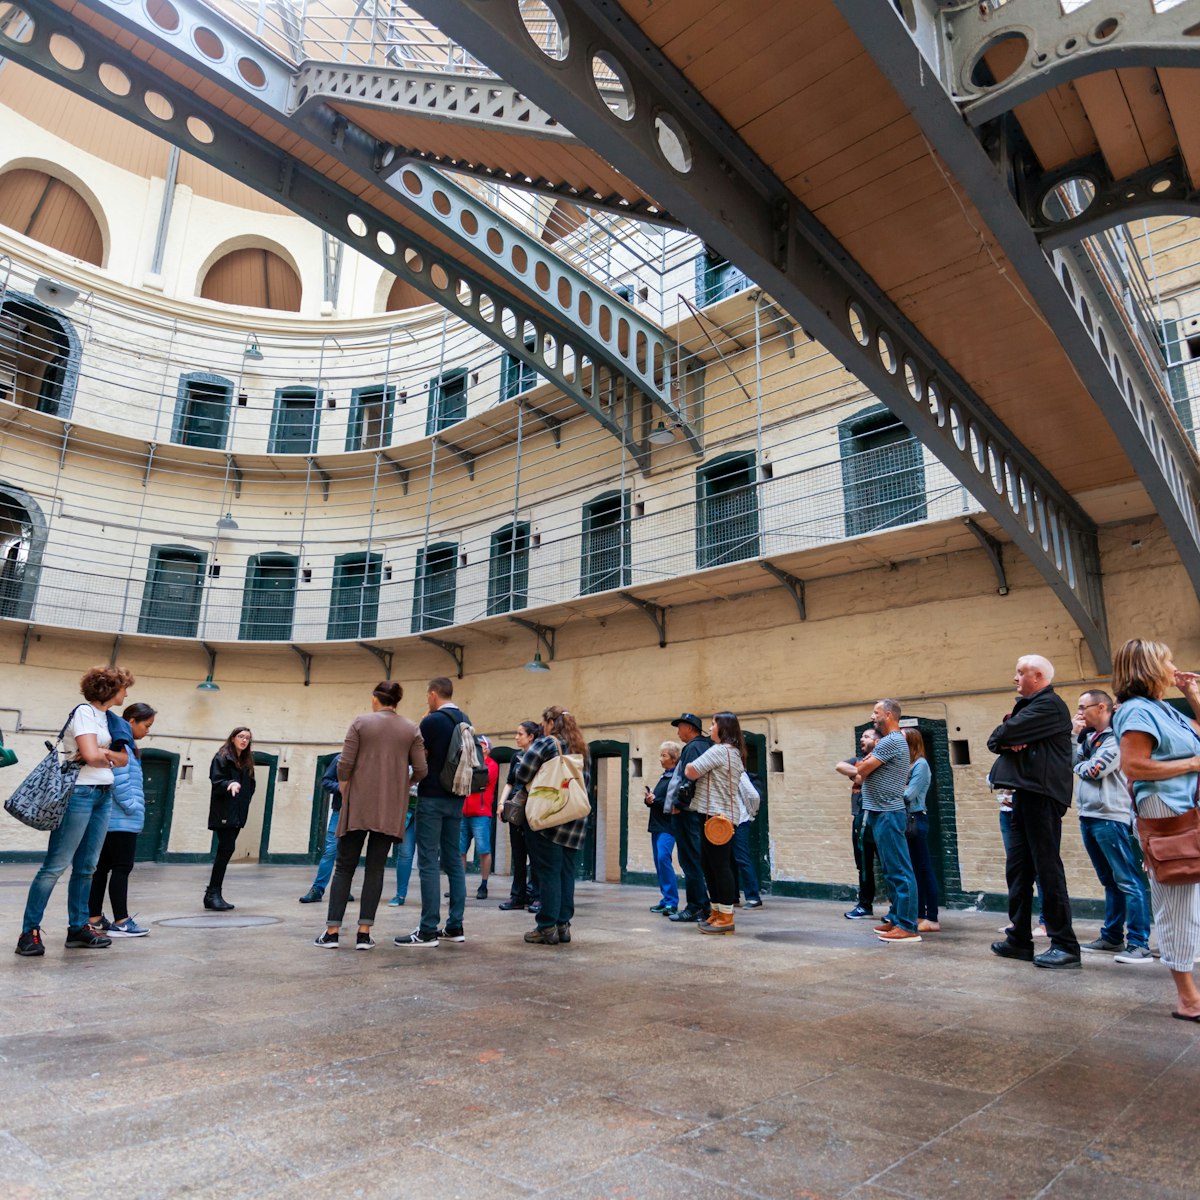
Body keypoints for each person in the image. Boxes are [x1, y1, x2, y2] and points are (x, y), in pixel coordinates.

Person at [16, 666, 132, 957]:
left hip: (103, 795)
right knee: (55, 866)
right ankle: (29, 932)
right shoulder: (84, 712)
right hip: (79, 794)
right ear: (110, 690)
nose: (127, 693)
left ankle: (78, 928)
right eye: (124, 688)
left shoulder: (110, 721)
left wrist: (101, 754)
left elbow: (122, 759)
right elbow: (92, 756)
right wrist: (102, 755)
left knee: (87, 868)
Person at [1112, 640, 1200, 1019]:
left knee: (1186, 898)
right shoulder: (1135, 711)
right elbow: (1134, 767)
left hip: (1187, 808)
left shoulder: (1162, 709)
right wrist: (1193, 764)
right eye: (1167, 661)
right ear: (1149, 668)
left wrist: (1191, 693)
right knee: (1178, 903)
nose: (1173, 666)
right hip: (1166, 809)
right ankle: (1188, 998)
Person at [315, 682, 427, 949]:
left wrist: (346, 786)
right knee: (375, 870)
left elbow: (344, 764)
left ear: (376, 698)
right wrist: (404, 783)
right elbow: (422, 769)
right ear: (396, 702)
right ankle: (364, 933)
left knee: (344, 867)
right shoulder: (411, 728)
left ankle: (331, 932)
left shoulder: (360, 723)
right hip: (388, 809)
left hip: (358, 805)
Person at [989, 654, 1081, 969]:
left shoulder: (1049, 706)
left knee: (1047, 868)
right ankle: (1019, 940)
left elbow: (1003, 735)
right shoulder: (1032, 708)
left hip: (1042, 794)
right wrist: (1008, 735)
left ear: (1038, 676)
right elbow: (996, 740)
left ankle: (1065, 945)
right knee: (1018, 869)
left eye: (1020, 673)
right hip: (1026, 793)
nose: (1015, 678)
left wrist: (1009, 734)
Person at [1073, 689, 1151, 963]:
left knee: (1128, 881)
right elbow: (1076, 763)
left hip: (1110, 817)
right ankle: (1112, 937)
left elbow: (1094, 771)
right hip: (1089, 816)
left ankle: (1139, 943)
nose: (1079, 713)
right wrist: (1077, 747)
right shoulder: (1089, 739)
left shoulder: (1117, 739)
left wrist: (1079, 761)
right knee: (1109, 882)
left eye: (1084, 707)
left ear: (1102, 707)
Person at [397, 677, 471, 947]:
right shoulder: (465, 719)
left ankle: (428, 929)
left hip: (431, 797)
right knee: (453, 860)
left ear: (433, 694)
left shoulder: (431, 721)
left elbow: (419, 755)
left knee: (428, 861)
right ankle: (455, 926)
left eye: (427, 696)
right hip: (456, 798)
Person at [513, 706, 591, 945]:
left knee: (547, 872)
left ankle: (546, 926)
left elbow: (522, 774)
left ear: (549, 722)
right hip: (574, 819)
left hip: (549, 817)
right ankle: (563, 925)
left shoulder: (547, 744)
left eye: (543, 722)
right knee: (566, 873)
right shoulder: (581, 749)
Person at [88, 701, 157, 938]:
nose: (148, 730)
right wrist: (133, 807)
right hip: (122, 821)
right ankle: (122, 921)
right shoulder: (123, 748)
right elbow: (120, 781)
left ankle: (94, 917)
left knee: (102, 868)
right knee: (121, 868)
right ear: (131, 722)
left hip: (112, 820)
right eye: (146, 725)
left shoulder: (125, 747)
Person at [856, 699, 921, 944]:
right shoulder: (889, 742)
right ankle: (896, 917)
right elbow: (863, 768)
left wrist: (864, 764)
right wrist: (865, 764)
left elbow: (861, 770)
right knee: (890, 870)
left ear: (890, 714)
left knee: (900, 871)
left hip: (888, 813)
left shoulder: (892, 741)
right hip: (880, 812)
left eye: (876, 712)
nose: (873, 717)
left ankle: (907, 925)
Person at [684, 712, 746, 934]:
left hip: (717, 818)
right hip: (717, 815)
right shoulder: (733, 752)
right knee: (710, 865)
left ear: (724, 728)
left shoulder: (720, 750)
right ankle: (717, 912)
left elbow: (690, 771)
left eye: (713, 724)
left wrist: (689, 763)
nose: (709, 729)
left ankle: (726, 916)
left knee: (719, 867)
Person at [663, 713, 712, 924]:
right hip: (696, 811)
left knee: (689, 860)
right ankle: (703, 905)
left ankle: (695, 907)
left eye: (680, 727)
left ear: (690, 728)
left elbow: (689, 781)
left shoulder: (693, 747)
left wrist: (679, 805)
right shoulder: (704, 746)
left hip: (687, 812)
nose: (678, 731)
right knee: (695, 860)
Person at [205, 727, 256, 911]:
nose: (244, 740)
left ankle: (213, 894)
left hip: (238, 812)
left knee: (225, 850)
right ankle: (212, 894)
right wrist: (230, 783)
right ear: (233, 738)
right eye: (241, 736)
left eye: (247, 738)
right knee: (226, 849)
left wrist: (246, 798)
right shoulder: (222, 757)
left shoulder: (246, 761)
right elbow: (217, 781)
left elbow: (251, 784)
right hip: (224, 811)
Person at [836, 727, 880, 920]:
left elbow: (869, 778)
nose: (862, 739)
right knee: (863, 865)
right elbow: (839, 766)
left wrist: (861, 777)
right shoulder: (858, 760)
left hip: (878, 817)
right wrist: (860, 774)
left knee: (888, 864)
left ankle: (897, 908)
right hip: (859, 818)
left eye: (867, 736)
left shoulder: (881, 760)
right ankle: (865, 905)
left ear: (877, 741)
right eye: (861, 736)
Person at [301, 754, 357, 905]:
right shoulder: (342, 758)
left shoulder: (372, 759)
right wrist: (342, 788)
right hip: (341, 811)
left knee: (351, 853)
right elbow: (326, 781)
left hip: (362, 814)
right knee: (330, 851)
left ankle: (343, 889)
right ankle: (317, 889)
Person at [499, 720, 541, 912]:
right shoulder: (516, 757)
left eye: (520, 734)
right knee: (517, 854)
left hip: (532, 808)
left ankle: (536, 895)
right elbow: (509, 782)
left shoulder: (539, 756)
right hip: (516, 808)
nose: (516, 737)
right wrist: (501, 803)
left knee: (535, 853)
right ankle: (518, 895)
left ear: (531, 736)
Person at [903, 729, 939, 933]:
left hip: (916, 818)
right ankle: (918, 914)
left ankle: (932, 917)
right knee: (914, 869)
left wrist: (891, 788)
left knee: (923, 868)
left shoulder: (921, 765)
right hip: (907, 819)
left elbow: (909, 794)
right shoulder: (906, 765)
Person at [461, 736, 499, 900]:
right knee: (459, 850)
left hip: (481, 813)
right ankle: (459, 885)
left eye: (480, 745)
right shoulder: (468, 762)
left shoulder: (492, 765)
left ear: (486, 748)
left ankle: (483, 885)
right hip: (463, 812)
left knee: (484, 850)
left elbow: (479, 779)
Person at [645, 741, 680, 915]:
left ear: (673, 758)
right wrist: (649, 799)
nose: (660, 759)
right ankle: (665, 899)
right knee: (659, 863)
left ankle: (672, 902)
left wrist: (655, 799)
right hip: (657, 824)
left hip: (668, 825)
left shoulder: (677, 777)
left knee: (663, 858)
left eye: (664, 755)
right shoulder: (664, 776)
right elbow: (659, 799)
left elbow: (672, 800)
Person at [732, 771, 763, 909]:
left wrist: (751, 812)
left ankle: (753, 898)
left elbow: (753, 795)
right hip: (726, 821)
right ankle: (732, 897)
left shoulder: (738, 772)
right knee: (728, 859)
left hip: (740, 821)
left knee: (742, 857)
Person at [387, 785, 418, 907]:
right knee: (405, 853)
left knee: (428, 856)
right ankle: (400, 895)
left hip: (429, 809)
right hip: (407, 808)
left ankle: (430, 899)